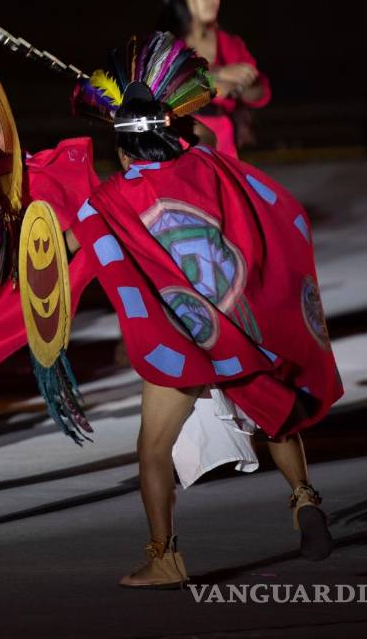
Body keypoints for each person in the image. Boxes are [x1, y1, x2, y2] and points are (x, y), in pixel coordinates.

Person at [66, 32, 341, 588]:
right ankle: (303, 496)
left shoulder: (109, 200)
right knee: (274, 413)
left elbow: (63, 250)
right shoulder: (208, 163)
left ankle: (164, 557)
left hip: (184, 337)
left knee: (153, 451)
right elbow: (213, 144)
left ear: (122, 149)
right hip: (239, 324)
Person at [126, 0, 271, 156]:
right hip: (179, 138)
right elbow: (157, 91)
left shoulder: (229, 43)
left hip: (223, 141)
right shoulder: (163, 46)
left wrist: (244, 84)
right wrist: (218, 76)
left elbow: (260, 93)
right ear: (182, 0)